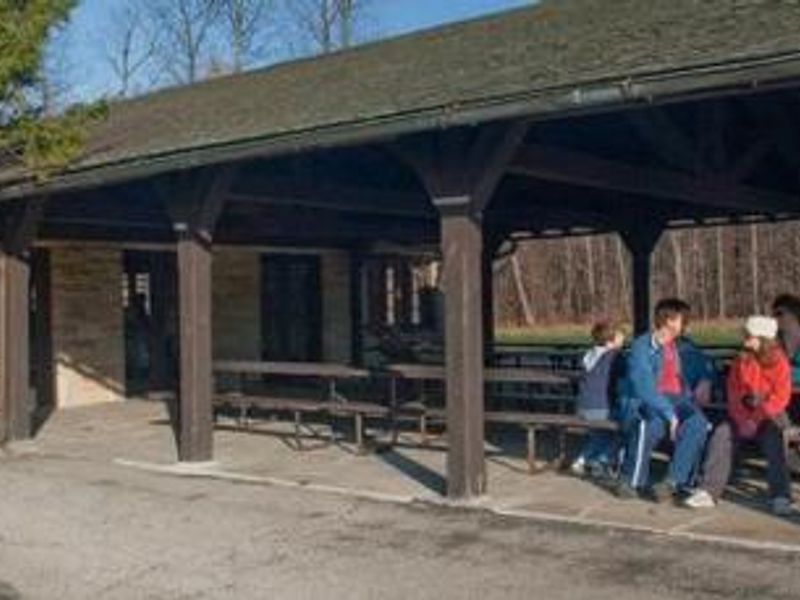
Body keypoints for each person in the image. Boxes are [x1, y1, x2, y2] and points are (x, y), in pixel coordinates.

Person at [684, 316, 795, 516]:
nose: (745, 339)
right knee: (722, 434)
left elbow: (781, 397)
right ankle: (709, 490)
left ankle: (781, 495)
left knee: (774, 439)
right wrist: (743, 419)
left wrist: (755, 419)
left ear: (762, 338)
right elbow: (734, 393)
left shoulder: (780, 362)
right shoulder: (741, 360)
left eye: (749, 336)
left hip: (770, 413)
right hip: (742, 412)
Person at [615, 298, 713, 501]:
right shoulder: (643, 346)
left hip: (679, 399)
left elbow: (707, 364)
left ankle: (673, 481)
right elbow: (643, 387)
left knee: (699, 423)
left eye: (684, 320)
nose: (684, 324)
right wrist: (669, 414)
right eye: (681, 319)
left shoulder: (685, 346)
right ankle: (630, 479)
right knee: (651, 425)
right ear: (667, 320)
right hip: (648, 400)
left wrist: (706, 380)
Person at [570, 322, 626, 478]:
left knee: (600, 435)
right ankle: (602, 460)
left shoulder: (589, 354)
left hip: (582, 408)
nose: (624, 339)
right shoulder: (615, 356)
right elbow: (629, 376)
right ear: (610, 341)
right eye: (620, 336)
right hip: (601, 408)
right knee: (625, 429)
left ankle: (581, 461)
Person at [771, 293, 800, 421]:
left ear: (794, 314)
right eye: (774, 315)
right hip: (780, 401)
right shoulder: (772, 347)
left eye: (779, 313)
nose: (775, 318)